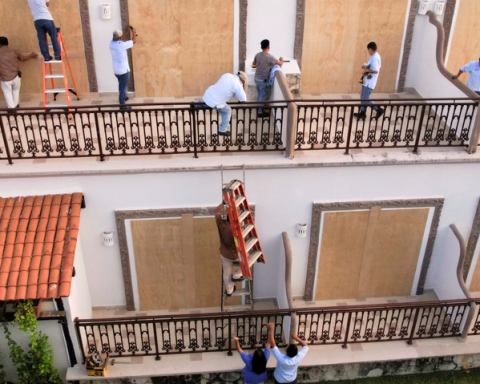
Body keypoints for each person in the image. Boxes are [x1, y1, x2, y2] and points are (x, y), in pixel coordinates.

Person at [203, 72, 247, 136]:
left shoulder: (227, 75)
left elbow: (223, 88)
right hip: (216, 101)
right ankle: (222, 130)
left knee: (207, 103)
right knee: (227, 111)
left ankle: (195, 104)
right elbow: (243, 100)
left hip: (209, 93)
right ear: (242, 80)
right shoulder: (237, 85)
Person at [214, 202, 244, 295]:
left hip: (225, 254)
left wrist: (223, 203)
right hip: (236, 255)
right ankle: (237, 275)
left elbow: (216, 212)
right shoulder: (238, 230)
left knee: (226, 273)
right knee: (250, 259)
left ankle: (229, 290)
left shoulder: (221, 225)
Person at [0, 37, 37, 109]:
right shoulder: (14, 51)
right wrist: (31, 55)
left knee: (7, 92)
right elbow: (23, 58)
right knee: (16, 91)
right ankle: (16, 105)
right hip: (16, 76)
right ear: (8, 43)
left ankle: (11, 108)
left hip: (5, 78)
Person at [354, 42, 384, 120]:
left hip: (369, 83)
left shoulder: (374, 58)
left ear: (370, 49)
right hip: (368, 81)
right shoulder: (377, 56)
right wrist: (366, 67)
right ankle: (362, 113)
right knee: (363, 97)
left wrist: (366, 70)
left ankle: (378, 109)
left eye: (368, 50)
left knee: (365, 99)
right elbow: (378, 68)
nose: (368, 52)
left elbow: (376, 71)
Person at [253, 40, 283, 116]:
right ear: (268, 47)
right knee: (262, 96)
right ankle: (260, 112)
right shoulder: (270, 57)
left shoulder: (257, 55)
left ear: (261, 47)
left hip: (256, 78)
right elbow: (280, 64)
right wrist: (281, 59)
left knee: (260, 94)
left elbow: (254, 63)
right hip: (263, 79)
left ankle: (259, 108)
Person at [109, 28, 137, 109]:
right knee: (122, 88)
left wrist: (125, 32)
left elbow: (121, 41)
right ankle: (122, 106)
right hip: (124, 71)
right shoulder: (121, 45)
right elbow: (134, 41)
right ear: (120, 38)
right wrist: (134, 32)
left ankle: (124, 97)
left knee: (122, 85)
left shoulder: (111, 43)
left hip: (116, 70)